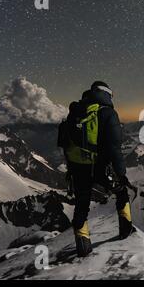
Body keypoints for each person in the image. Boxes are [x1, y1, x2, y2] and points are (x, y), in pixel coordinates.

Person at [57, 81, 134, 257]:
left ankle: (83, 247)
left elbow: (66, 143)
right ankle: (126, 229)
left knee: (81, 205)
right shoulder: (108, 113)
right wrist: (121, 174)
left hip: (77, 168)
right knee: (121, 192)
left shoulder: (75, 112)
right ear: (107, 94)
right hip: (100, 168)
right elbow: (115, 148)